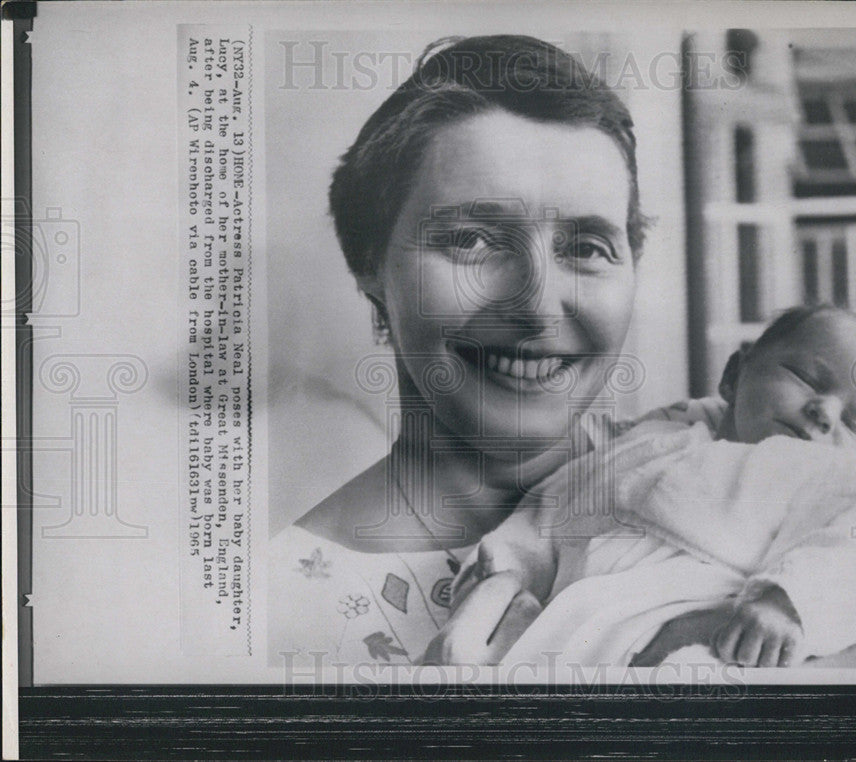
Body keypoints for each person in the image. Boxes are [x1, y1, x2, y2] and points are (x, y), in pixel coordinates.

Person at [269, 34, 650, 668]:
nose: (537, 305)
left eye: (586, 247)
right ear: (368, 264)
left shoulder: (727, 483)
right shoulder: (271, 614)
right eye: (472, 239)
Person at [451, 305, 856, 668]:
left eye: (855, 423)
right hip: (561, 613)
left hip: (691, 620)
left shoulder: (831, 475)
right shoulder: (654, 439)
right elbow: (555, 503)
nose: (824, 413)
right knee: (470, 642)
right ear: (733, 375)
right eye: (806, 378)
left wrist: (790, 602)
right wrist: (505, 564)